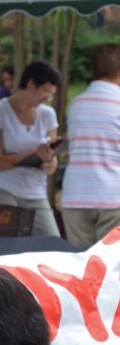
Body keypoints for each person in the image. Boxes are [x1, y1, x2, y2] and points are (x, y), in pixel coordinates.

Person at [0, 60, 62, 237]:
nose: (47, 98)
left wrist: (47, 158)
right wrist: (34, 154)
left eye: (51, 95)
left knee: (54, 244)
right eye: (45, 92)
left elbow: (51, 167)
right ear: (31, 84)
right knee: (7, 247)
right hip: (1, 188)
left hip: (35, 191)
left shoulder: (48, 114)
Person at [61, 43, 120, 249]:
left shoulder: (77, 103)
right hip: (113, 196)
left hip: (76, 196)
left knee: (80, 266)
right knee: (112, 268)